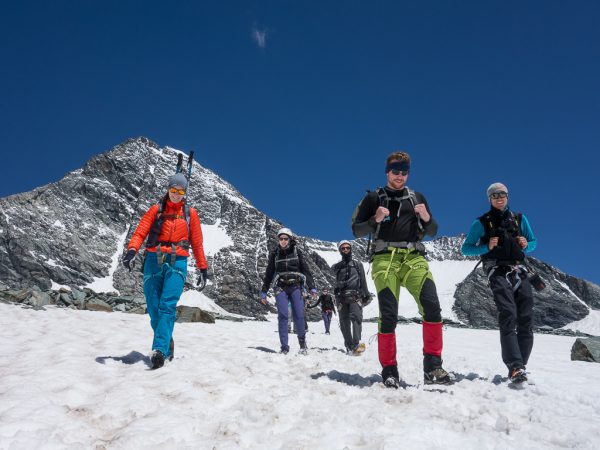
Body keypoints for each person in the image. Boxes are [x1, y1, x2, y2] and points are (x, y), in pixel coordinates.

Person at [351, 151, 451, 387]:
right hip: (385, 260)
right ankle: (389, 370)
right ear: (387, 172)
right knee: (388, 315)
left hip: (414, 258)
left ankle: (433, 367)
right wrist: (375, 219)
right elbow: (356, 230)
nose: (400, 175)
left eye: (404, 172)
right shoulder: (374, 197)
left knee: (432, 307)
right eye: (396, 171)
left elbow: (433, 230)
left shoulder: (417, 197)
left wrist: (426, 217)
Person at [122, 172, 208, 369]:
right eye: (173, 190)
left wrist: (203, 268)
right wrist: (132, 250)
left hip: (178, 261)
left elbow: (197, 243)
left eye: (181, 191)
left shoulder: (190, 214)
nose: (176, 194)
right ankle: (166, 342)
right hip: (153, 260)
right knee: (153, 308)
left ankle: (159, 350)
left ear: (185, 193)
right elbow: (140, 231)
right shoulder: (156, 210)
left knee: (167, 305)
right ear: (168, 188)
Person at [461, 182, 537, 384]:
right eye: (494, 195)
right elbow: (466, 249)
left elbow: (533, 241)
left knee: (526, 319)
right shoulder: (481, 223)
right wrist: (486, 246)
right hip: (497, 271)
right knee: (508, 314)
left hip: (520, 270)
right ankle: (515, 366)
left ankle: (520, 364)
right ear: (489, 199)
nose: (499, 197)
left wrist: (527, 244)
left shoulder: (520, 219)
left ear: (508, 196)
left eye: (502, 194)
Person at [260, 228, 317, 355]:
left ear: (290, 240)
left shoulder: (297, 252)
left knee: (298, 315)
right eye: (281, 239)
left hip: (296, 286)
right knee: (283, 316)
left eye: (286, 239)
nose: (283, 241)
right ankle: (284, 347)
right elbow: (269, 274)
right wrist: (264, 291)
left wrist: (312, 287)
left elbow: (305, 270)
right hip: (280, 287)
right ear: (278, 240)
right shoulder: (275, 254)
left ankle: (302, 343)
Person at [331, 240, 370, 355]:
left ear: (351, 249)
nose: (345, 250)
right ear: (340, 250)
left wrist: (366, 294)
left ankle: (356, 344)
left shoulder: (358, 265)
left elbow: (363, 280)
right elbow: (332, 274)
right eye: (343, 248)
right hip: (341, 296)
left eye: (347, 248)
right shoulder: (337, 267)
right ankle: (349, 346)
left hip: (355, 295)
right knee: (344, 322)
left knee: (356, 318)